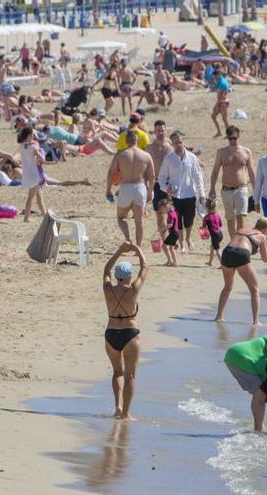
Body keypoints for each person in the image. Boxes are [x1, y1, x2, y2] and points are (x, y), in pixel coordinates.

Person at [102, 242, 149, 420]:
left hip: (111, 332)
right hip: (130, 333)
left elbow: (106, 270)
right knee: (130, 375)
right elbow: (145, 267)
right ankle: (127, 413)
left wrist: (119, 251)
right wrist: (138, 249)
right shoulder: (134, 289)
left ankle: (117, 407)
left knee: (117, 372)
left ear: (116, 276)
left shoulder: (108, 289)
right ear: (129, 276)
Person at [214, 218, 267, 326]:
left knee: (227, 287)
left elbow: (245, 244)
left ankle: (219, 316)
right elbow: (265, 259)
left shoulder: (243, 229)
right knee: (254, 289)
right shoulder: (262, 237)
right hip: (241, 254)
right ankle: (256, 321)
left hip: (227, 252)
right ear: (265, 229)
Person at [158, 130, 205, 252]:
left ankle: (188, 238)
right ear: (172, 144)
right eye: (175, 143)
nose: (178, 145)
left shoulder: (192, 158)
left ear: (183, 142)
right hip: (175, 195)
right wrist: (165, 188)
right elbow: (161, 177)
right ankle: (181, 242)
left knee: (189, 220)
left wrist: (202, 194)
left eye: (180, 142)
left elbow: (198, 177)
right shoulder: (168, 159)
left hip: (190, 194)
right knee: (177, 221)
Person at [106, 130, 155, 247]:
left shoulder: (120, 155)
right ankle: (138, 247)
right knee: (139, 221)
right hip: (140, 187)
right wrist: (149, 192)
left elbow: (111, 173)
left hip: (126, 187)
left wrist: (108, 190)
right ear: (137, 140)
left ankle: (128, 240)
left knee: (121, 217)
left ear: (126, 141)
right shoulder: (146, 155)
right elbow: (152, 176)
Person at [208, 125, 255, 238]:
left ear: (238, 137)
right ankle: (233, 242)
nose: (233, 141)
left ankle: (240, 242)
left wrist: (256, 191)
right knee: (230, 218)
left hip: (241, 188)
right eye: (230, 138)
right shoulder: (222, 152)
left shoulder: (246, 152)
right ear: (227, 138)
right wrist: (212, 188)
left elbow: (252, 173)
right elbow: (215, 172)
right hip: (226, 189)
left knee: (241, 217)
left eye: (235, 138)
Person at [18, 127, 47, 222]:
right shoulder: (33, 147)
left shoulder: (21, 146)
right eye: (32, 135)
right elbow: (42, 159)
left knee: (39, 196)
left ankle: (45, 216)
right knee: (31, 197)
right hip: (34, 174)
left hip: (27, 173)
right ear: (30, 136)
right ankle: (26, 218)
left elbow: (26, 145)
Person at [203, 198, 224, 266]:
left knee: (217, 250)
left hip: (214, 235)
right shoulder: (217, 215)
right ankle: (210, 262)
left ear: (207, 208)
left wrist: (204, 234)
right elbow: (220, 224)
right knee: (212, 247)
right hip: (220, 234)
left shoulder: (206, 217)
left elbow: (204, 228)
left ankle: (223, 264)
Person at [158, 198, 179, 266]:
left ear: (166, 207)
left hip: (173, 233)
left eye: (162, 209)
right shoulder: (174, 212)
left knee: (164, 246)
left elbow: (170, 225)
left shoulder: (171, 214)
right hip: (176, 233)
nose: (161, 211)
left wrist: (162, 229)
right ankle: (173, 261)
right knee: (171, 248)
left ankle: (172, 261)